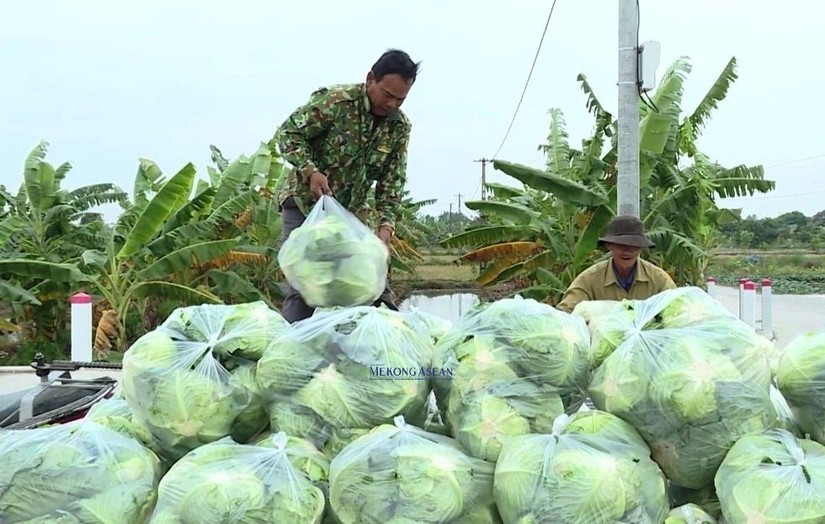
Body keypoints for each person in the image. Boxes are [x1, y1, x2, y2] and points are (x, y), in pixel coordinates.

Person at [271, 48, 420, 323]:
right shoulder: (337, 101)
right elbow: (288, 133)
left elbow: (392, 179)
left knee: (366, 277)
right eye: (387, 95)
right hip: (306, 203)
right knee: (304, 280)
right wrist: (310, 171)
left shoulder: (399, 127)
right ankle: (295, 348)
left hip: (350, 209)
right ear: (370, 79)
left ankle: (370, 343)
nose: (392, 104)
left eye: (400, 99)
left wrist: (386, 226)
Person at [554, 215, 677, 313]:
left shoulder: (658, 279)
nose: (627, 251)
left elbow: (678, 310)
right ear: (609, 245)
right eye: (621, 245)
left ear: (641, 248)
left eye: (634, 246)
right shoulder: (589, 279)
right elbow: (564, 314)